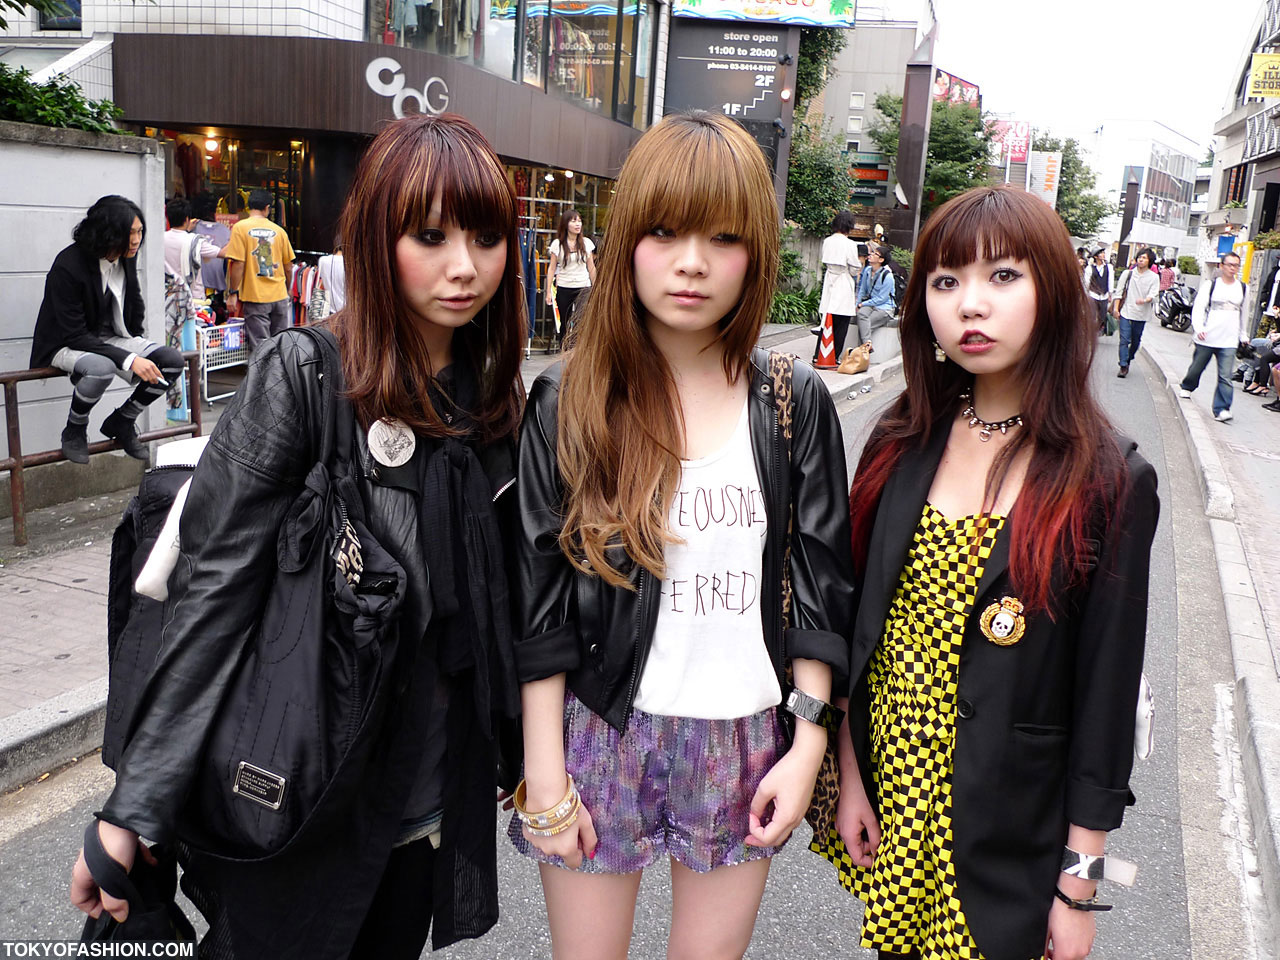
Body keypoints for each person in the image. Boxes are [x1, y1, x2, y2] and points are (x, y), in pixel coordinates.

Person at [69, 114, 527, 959]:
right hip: (293, 794)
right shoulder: (307, 373)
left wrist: (525, 749)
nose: (465, 266)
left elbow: (501, 608)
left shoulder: (490, 402)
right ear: (376, 240)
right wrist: (133, 809)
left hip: (419, 806)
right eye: (430, 236)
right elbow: (213, 590)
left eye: (487, 237)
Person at [509, 110, 855, 960]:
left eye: (723, 238)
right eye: (664, 232)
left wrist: (807, 743)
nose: (692, 261)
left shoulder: (790, 399)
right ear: (628, 241)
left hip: (743, 735)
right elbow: (541, 601)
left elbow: (819, 583)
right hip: (601, 728)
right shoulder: (570, 399)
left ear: (756, 256)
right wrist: (544, 771)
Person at [822, 185, 1158, 960]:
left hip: (1012, 827)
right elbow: (863, 626)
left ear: (1052, 292)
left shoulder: (1109, 478)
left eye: (1002, 276)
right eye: (946, 282)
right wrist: (851, 775)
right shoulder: (901, 441)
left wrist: (1078, 887)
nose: (970, 304)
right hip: (898, 795)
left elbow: (1105, 700)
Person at [31, 195, 185, 464]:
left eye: (139, 231)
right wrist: (130, 359)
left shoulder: (123, 256)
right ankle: (75, 429)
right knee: (101, 366)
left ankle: (123, 420)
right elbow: (74, 334)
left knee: (171, 361)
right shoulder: (68, 265)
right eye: (131, 233)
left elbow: (133, 300)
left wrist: (138, 342)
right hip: (64, 342)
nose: (137, 239)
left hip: (108, 337)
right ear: (109, 233)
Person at [1179, 251, 1250, 422]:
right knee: (1197, 366)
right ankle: (1188, 385)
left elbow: (1244, 313)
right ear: (1222, 266)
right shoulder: (1211, 285)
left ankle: (1222, 408)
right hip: (1208, 335)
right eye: (1230, 264)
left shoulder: (1243, 288)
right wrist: (1199, 327)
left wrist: (1243, 335)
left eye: (1236, 265)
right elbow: (1199, 307)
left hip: (1229, 339)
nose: (1233, 268)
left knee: (1225, 375)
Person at [224, 188, 295, 351]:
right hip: (279, 296)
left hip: (256, 297)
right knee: (280, 347)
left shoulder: (240, 228)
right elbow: (288, 267)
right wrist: (287, 288)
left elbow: (238, 263)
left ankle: (264, 377)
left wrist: (233, 293)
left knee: (261, 349)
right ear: (267, 208)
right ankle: (279, 377)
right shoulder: (279, 231)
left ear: (249, 206)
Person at [163, 196, 224, 336]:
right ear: (187, 219)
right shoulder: (195, 242)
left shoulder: (160, 238)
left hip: (168, 299)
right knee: (194, 341)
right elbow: (223, 253)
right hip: (193, 300)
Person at [545, 208, 597, 348]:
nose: (577, 224)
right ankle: (564, 349)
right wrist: (549, 292)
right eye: (574, 221)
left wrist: (596, 287)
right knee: (565, 322)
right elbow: (551, 268)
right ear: (566, 224)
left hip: (583, 286)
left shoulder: (586, 243)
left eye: (579, 221)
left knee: (581, 320)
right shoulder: (557, 244)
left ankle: (578, 350)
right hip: (564, 286)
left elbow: (591, 267)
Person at [815, 209, 860, 361]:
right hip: (843, 280)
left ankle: (818, 354)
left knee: (827, 321)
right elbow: (854, 267)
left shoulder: (827, 241)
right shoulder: (850, 244)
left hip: (830, 280)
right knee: (842, 322)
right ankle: (834, 356)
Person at [1113, 247, 1159, 377]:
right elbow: (1119, 292)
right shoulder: (1128, 274)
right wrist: (1116, 309)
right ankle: (1123, 365)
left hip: (1142, 314)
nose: (1141, 259)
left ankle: (1128, 358)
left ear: (1150, 261)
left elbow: (1154, 295)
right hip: (1126, 311)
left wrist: (1146, 300)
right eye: (1140, 257)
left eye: (1144, 258)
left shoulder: (1154, 277)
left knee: (1136, 341)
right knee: (1124, 339)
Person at [856, 243, 897, 343]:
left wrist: (863, 304)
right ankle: (865, 349)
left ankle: (863, 351)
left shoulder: (887, 276)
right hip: (871, 303)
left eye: (875, 254)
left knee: (865, 325)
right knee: (861, 315)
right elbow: (862, 290)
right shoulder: (867, 271)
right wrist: (858, 304)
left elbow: (882, 298)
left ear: (881, 260)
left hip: (885, 307)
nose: (871, 254)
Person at [1084, 249, 1113, 335]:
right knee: (1091, 314)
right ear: (1096, 256)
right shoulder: (1090, 268)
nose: (1103, 255)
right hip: (1093, 294)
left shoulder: (1109, 267)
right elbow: (1087, 282)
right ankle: (1090, 330)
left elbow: (1110, 280)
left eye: (1104, 253)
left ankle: (1099, 329)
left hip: (1104, 295)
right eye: (1101, 253)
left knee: (1102, 314)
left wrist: (1110, 293)